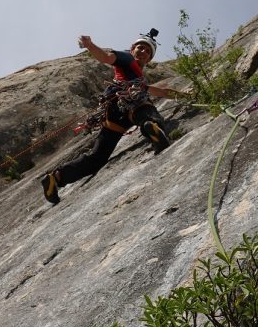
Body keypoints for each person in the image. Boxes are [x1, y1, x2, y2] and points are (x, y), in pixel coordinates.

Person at [39, 29, 176, 205]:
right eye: (140, 48)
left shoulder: (137, 76)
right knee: (145, 107)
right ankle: (151, 126)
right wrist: (90, 45)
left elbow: (156, 91)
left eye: (147, 51)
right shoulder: (126, 58)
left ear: (149, 59)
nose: (143, 52)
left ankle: (56, 178)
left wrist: (181, 94)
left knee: (97, 158)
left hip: (113, 115)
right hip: (127, 103)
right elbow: (106, 58)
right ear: (132, 48)